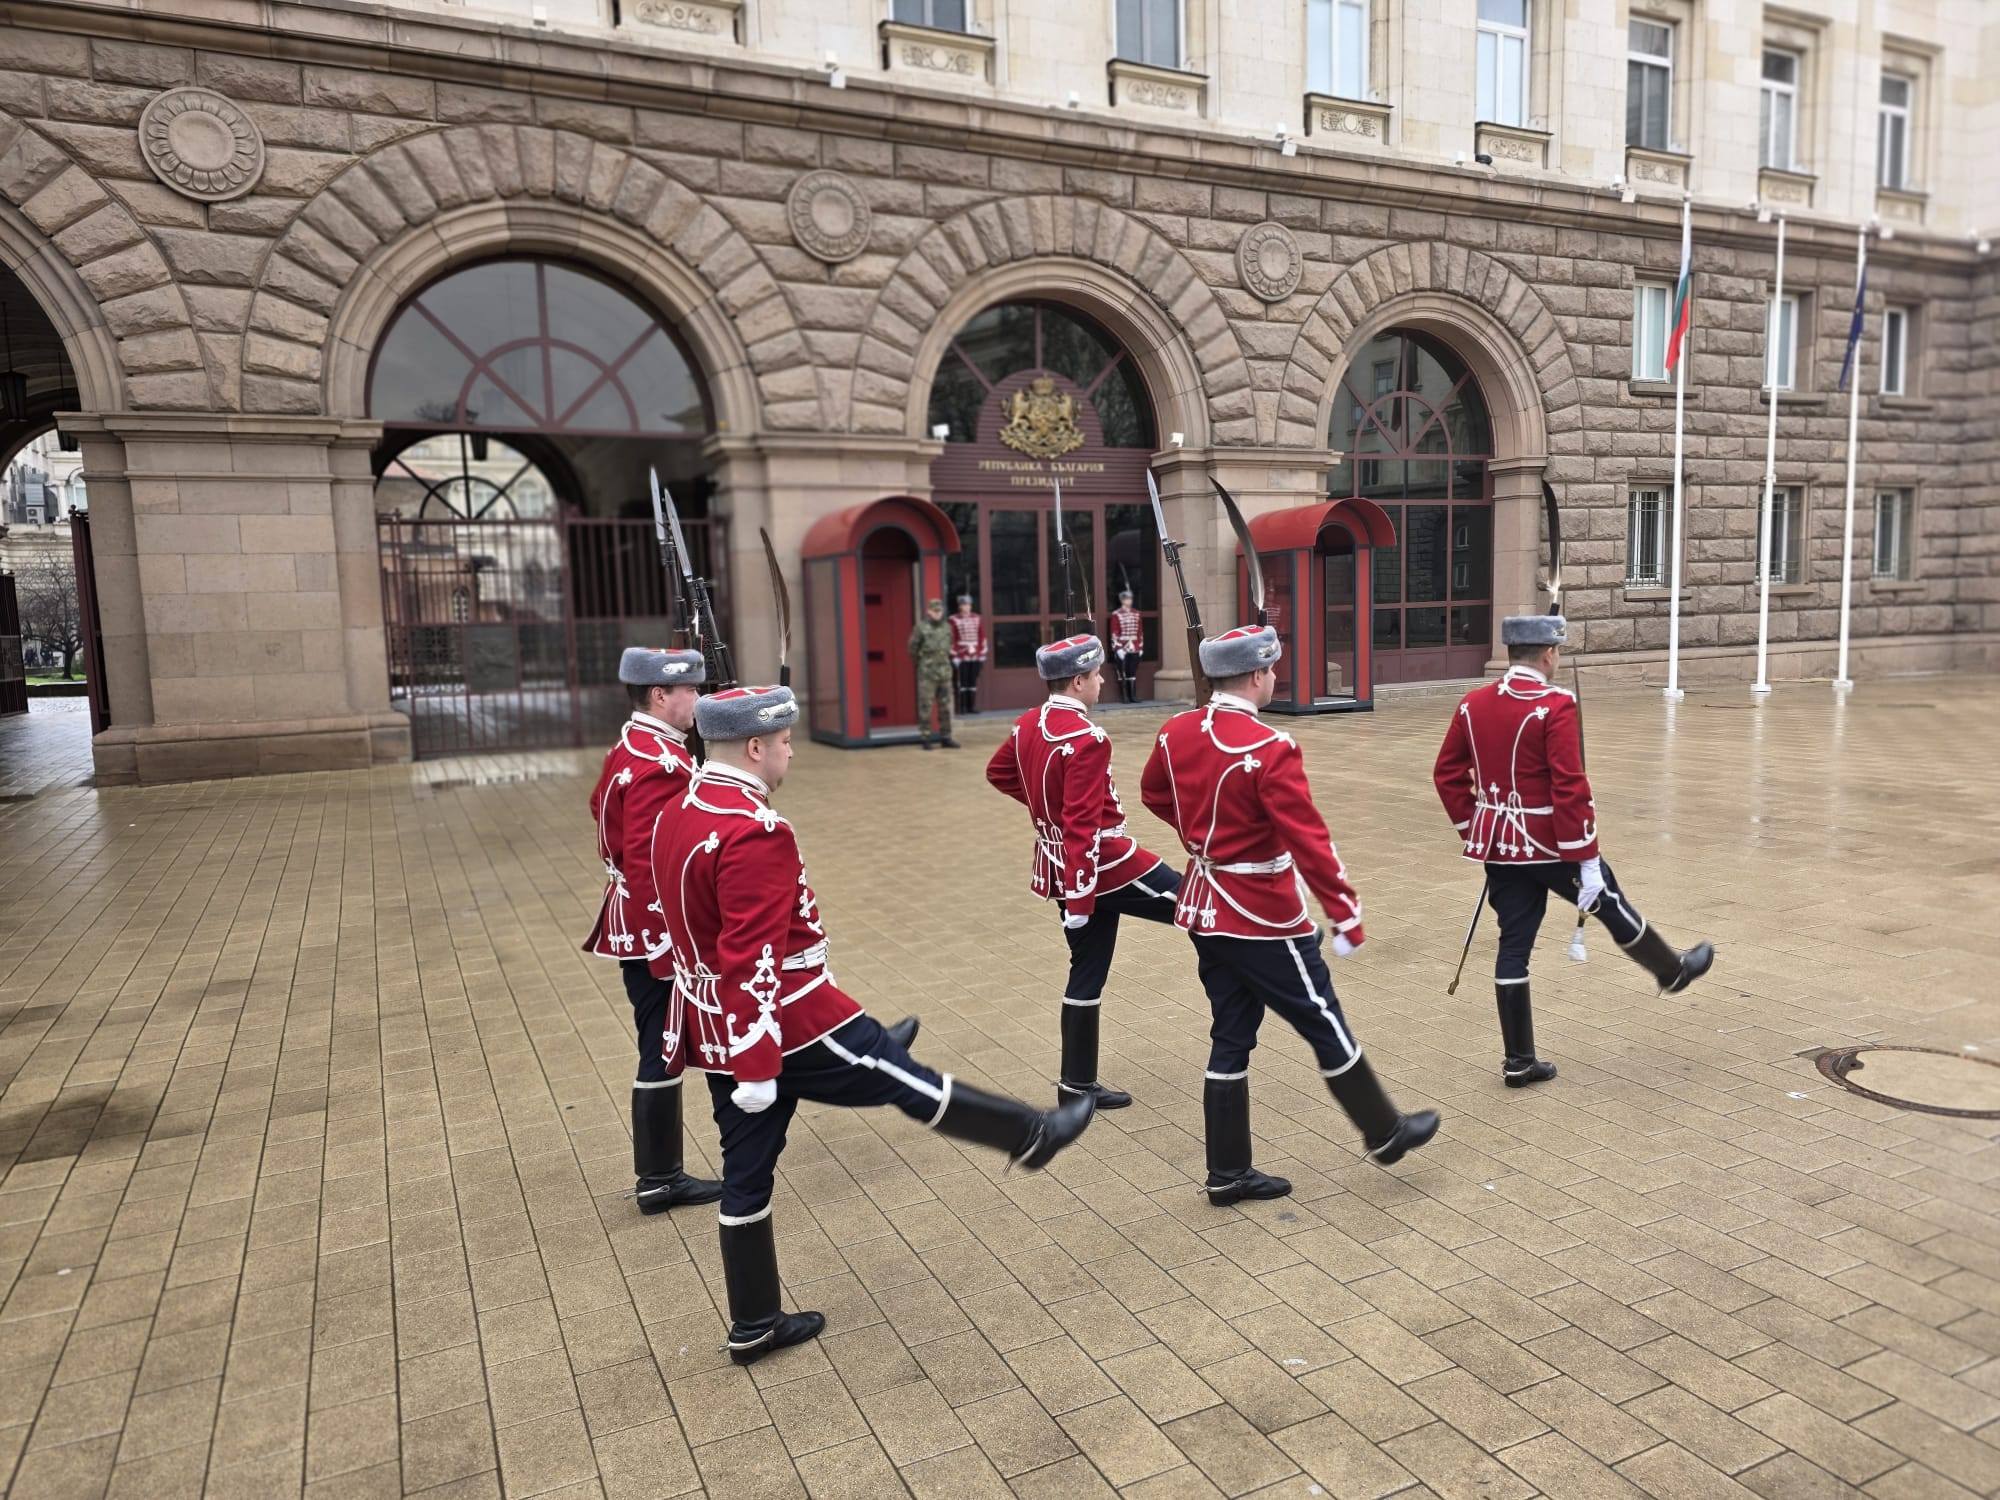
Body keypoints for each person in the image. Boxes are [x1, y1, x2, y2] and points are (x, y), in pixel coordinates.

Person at [657, 684, 1095, 1364]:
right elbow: (754, 956)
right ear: (754, 748)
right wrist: (757, 1062)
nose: (790, 752)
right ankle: (1031, 1135)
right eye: (783, 742)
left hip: (713, 1024)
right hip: (788, 1020)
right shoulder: (754, 829)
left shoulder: (681, 808)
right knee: (904, 1080)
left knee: (745, 1170)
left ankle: (754, 1321)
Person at [1141, 624, 1439, 1202]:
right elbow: (1309, 840)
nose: (1275, 676)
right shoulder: (1270, 747)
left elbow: (1155, 793)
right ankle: (1383, 1132)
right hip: (1262, 914)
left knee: (1231, 1034)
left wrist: (1201, 838)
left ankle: (1228, 1171)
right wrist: (1345, 911)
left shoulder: (1176, 732)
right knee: (1323, 1019)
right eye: (1271, 668)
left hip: (1204, 906)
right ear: (1257, 674)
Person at [1432, 614, 1714, 1086]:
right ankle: (1672, 972)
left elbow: (1446, 775)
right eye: (1558, 651)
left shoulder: (1472, 704)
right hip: (1553, 845)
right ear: (1548, 654)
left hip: (1500, 847)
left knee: (1513, 945)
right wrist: (1585, 856)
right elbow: (1570, 785)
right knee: (1611, 903)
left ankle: (1519, 1060)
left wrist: (1475, 828)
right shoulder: (1556, 704)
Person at [986, 633, 1180, 1109]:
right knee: (1201, 904)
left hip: (1061, 865)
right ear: (1077, 681)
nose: (1102, 682)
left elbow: (1000, 773)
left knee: (1086, 972)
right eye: (1096, 675)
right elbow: (1082, 826)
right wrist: (1080, 897)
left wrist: (1045, 809)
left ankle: (1075, 1087)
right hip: (1103, 863)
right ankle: (1282, 945)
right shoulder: (1087, 738)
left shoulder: (1027, 724)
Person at [583, 647, 723, 1214]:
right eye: (690, 690)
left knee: (665, 1043)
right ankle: (661, 1178)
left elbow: (600, 809)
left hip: (636, 924)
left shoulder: (633, 746)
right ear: (660, 695)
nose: (698, 699)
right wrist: (671, 948)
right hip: (655, 930)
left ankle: (661, 1176)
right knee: (661, 1046)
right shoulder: (659, 763)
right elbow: (649, 864)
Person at [908, 597, 959, 750]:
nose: (937, 613)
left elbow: (950, 645)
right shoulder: (921, 628)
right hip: (927, 674)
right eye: (934, 611)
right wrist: (922, 664)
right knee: (926, 706)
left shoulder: (947, 627)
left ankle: (946, 737)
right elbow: (912, 648)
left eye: (939, 611)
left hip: (944, 673)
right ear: (929, 611)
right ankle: (925, 737)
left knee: (945, 707)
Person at [949, 594, 988, 716]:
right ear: (960, 606)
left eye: (968, 605)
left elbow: (982, 636)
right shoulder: (953, 619)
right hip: (961, 655)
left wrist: (982, 652)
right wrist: (954, 655)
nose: (967, 607)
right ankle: (962, 707)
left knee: (972, 682)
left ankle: (972, 706)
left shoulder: (977, 618)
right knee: (962, 682)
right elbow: (952, 638)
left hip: (975, 654)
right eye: (964, 605)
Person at [1109, 590, 1143, 704]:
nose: (1129, 601)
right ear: (1122, 600)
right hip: (1122, 646)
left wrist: (1140, 646)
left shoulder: (1136, 613)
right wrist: (1117, 648)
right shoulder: (1116, 614)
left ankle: (1133, 696)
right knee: (1122, 672)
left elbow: (1140, 631)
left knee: (1132, 672)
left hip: (1134, 645)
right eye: (1127, 599)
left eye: (1130, 598)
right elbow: (1114, 632)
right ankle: (1125, 697)